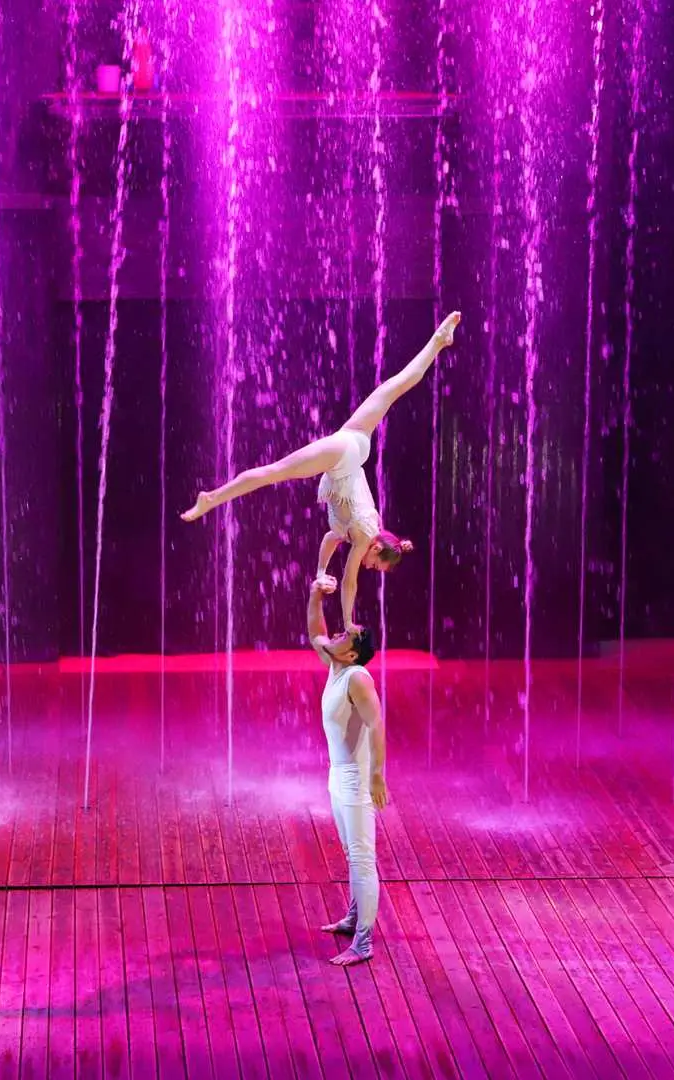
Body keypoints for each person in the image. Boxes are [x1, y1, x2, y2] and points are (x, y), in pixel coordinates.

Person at [182, 312, 462, 629]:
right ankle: (212, 498)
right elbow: (350, 582)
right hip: (344, 457)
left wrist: (320, 571)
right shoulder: (364, 537)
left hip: (355, 445)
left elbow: (330, 539)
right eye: (376, 565)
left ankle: (439, 340)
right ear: (376, 548)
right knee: (275, 471)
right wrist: (348, 622)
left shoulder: (356, 533)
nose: (370, 568)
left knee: (394, 387)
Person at [305, 572, 387, 966]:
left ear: (352, 654)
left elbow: (376, 722)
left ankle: (364, 942)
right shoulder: (336, 666)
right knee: (351, 851)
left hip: (356, 780)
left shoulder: (357, 677)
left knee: (362, 857)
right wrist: (315, 595)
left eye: (345, 636)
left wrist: (377, 775)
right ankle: (355, 917)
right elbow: (315, 634)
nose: (337, 634)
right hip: (337, 775)